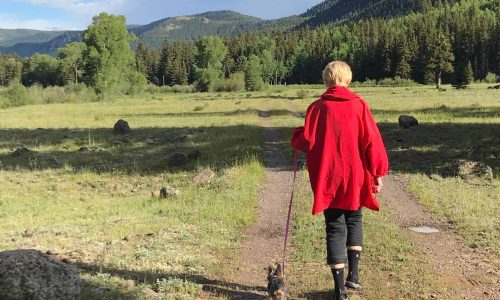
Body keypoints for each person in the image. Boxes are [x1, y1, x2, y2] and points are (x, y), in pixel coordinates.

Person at [291, 61, 389, 300]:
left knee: (335, 227)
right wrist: (377, 172)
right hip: (356, 176)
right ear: (348, 79)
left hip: (329, 177)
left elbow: (305, 140)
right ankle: (353, 276)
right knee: (354, 218)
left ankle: (339, 290)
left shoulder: (316, 108)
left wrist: (295, 135)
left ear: (326, 80)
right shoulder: (359, 106)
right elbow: (372, 141)